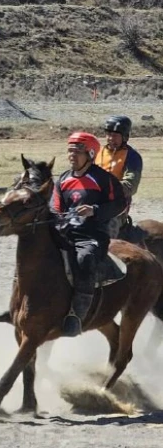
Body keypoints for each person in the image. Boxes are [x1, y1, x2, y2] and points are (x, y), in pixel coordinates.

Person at [51, 131, 126, 337]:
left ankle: (77, 316)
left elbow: (120, 203)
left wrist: (95, 210)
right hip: (66, 234)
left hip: (92, 235)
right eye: (70, 151)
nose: (72, 155)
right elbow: (56, 208)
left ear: (91, 154)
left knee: (84, 259)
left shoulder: (104, 179)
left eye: (78, 151)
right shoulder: (63, 179)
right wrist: (57, 220)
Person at [95, 115, 143, 239]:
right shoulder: (97, 152)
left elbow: (130, 186)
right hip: (92, 201)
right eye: (108, 134)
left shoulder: (132, 157)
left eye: (115, 135)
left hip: (117, 206)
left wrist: (105, 188)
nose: (111, 138)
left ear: (125, 136)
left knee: (106, 231)